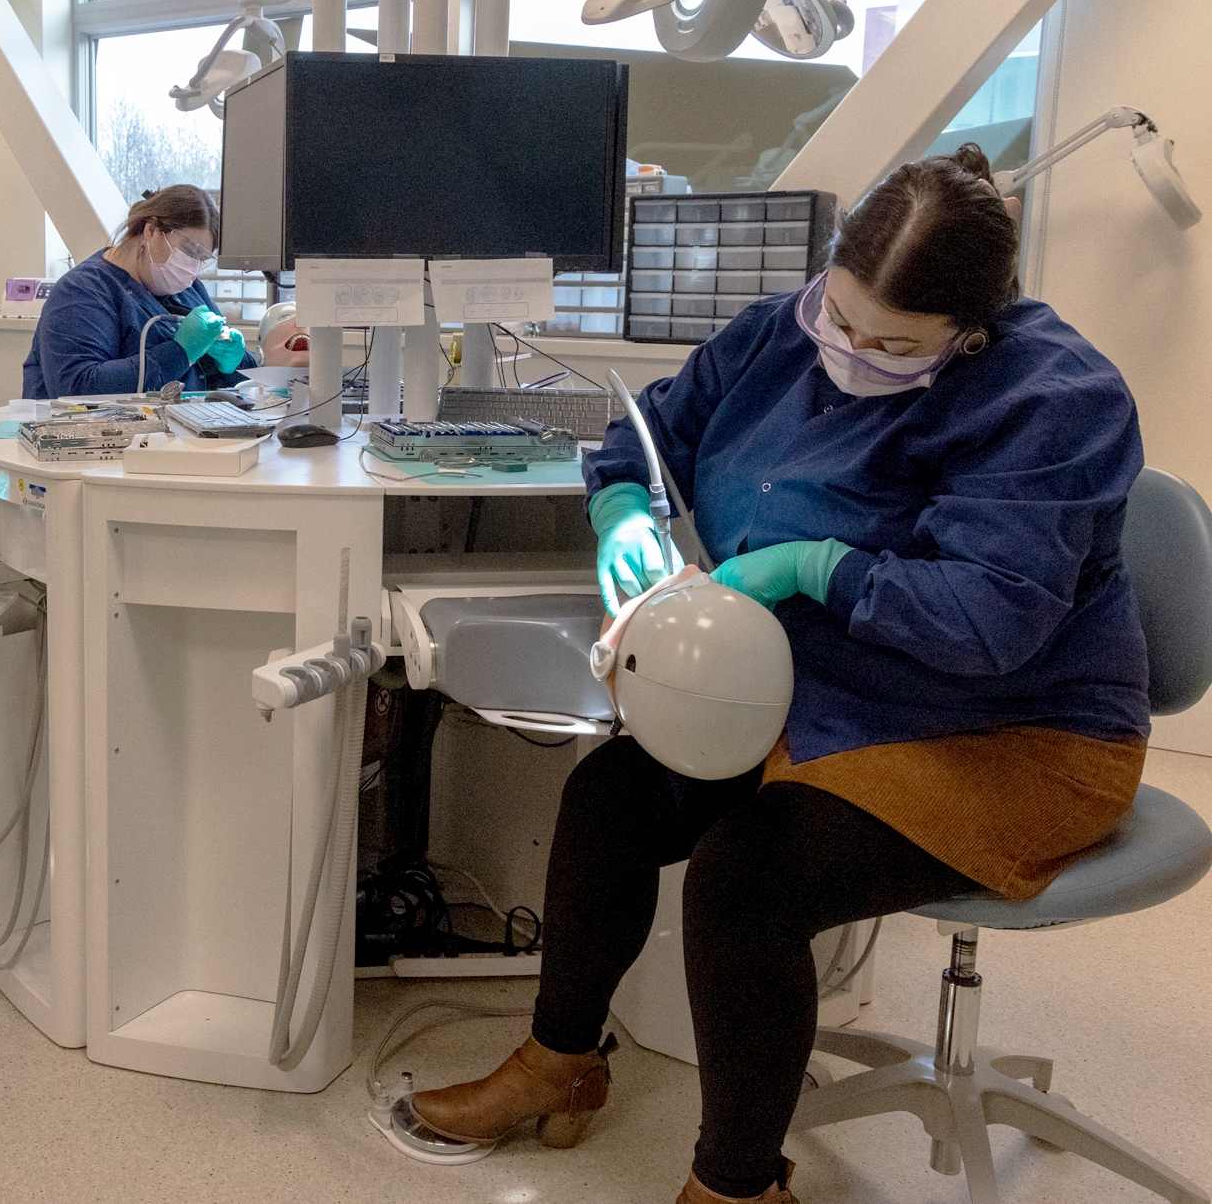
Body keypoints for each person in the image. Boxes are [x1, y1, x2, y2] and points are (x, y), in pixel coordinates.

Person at [403, 146, 1148, 1204]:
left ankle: (738, 1186)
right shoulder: (779, 331)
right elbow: (644, 434)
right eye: (839, 319)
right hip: (816, 692)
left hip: (1009, 728)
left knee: (745, 881)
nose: (848, 351)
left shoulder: (1051, 400)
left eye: (893, 344)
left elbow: (987, 624)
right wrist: (620, 505)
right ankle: (557, 1066)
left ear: (972, 331)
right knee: (609, 795)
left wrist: (814, 567)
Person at [20, 185, 255, 397]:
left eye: (202, 259)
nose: (192, 269)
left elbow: (237, 387)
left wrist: (236, 362)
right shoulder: (82, 291)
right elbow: (78, 388)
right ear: (151, 230)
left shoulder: (189, 290)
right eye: (189, 251)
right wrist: (179, 352)